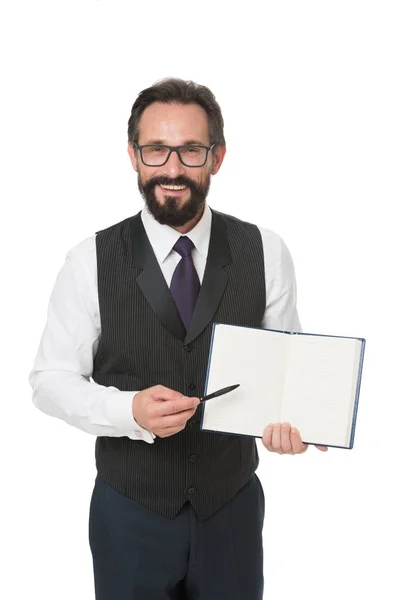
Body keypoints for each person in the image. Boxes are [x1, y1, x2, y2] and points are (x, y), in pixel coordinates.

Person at [29, 77, 328, 600]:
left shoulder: (267, 251)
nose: (172, 169)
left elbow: (287, 372)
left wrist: (297, 423)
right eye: (156, 150)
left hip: (230, 509)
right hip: (130, 513)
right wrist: (129, 412)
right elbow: (50, 380)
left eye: (190, 150)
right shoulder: (88, 260)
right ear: (133, 155)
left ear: (217, 157)